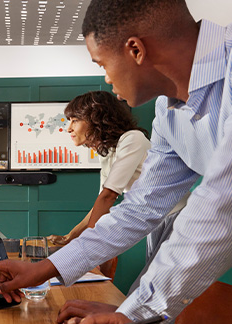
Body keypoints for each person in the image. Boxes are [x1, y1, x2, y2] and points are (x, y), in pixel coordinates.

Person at [0, 0, 232, 324]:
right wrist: (47, 267)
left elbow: (222, 202)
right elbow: (139, 207)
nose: (107, 79)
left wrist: (135, 311)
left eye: (102, 64)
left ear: (135, 49)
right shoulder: (168, 113)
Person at [46, 91, 188, 278]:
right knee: (156, 279)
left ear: (96, 118)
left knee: (164, 280)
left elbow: (109, 197)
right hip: (157, 219)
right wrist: (70, 236)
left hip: (177, 218)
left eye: (75, 120)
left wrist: (85, 248)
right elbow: (101, 203)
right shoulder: (107, 151)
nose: (69, 128)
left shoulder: (132, 139)